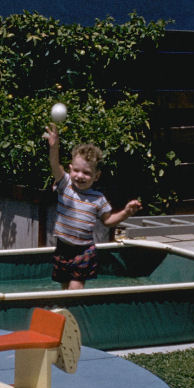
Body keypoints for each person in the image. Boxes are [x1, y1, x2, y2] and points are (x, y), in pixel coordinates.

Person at [42, 122, 141, 289]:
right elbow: (54, 164)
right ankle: (68, 313)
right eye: (76, 171)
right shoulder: (65, 184)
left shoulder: (98, 199)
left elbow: (108, 221)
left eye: (87, 173)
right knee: (64, 287)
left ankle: (75, 310)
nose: (80, 176)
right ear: (70, 169)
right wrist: (54, 147)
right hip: (62, 247)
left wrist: (126, 212)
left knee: (75, 287)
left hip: (83, 250)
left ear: (96, 176)